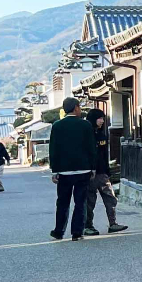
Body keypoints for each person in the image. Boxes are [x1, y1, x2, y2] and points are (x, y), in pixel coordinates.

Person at [47, 97, 96, 241]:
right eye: (79, 107)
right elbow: (91, 148)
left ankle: (59, 231)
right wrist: (92, 167)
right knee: (80, 202)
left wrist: (54, 170)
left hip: (63, 171)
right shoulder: (85, 125)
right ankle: (77, 232)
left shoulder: (57, 126)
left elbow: (53, 149)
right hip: (83, 169)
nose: (80, 109)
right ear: (75, 108)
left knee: (62, 202)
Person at [82, 109, 127, 235]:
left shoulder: (102, 134)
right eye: (99, 118)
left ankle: (113, 223)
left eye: (102, 118)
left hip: (102, 173)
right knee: (90, 200)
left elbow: (103, 155)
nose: (102, 121)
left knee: (110, 198)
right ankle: (88, 226)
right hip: (90, 173)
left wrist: (107, 171)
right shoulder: (86, 134)